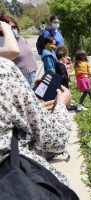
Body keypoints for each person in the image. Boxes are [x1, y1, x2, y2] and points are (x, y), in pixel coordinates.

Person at [0, 48, 73, 186]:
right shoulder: (4, 69)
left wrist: (32, 102)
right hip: (16, 181)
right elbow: (56, 139)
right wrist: (61, 105)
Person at [0, 15, 38, 88]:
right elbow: (13, 51)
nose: (13, 30)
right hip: (21, 76)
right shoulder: (3, 43)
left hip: (32, 73)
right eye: (9, 28)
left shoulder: (21, 38)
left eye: (14, 27)